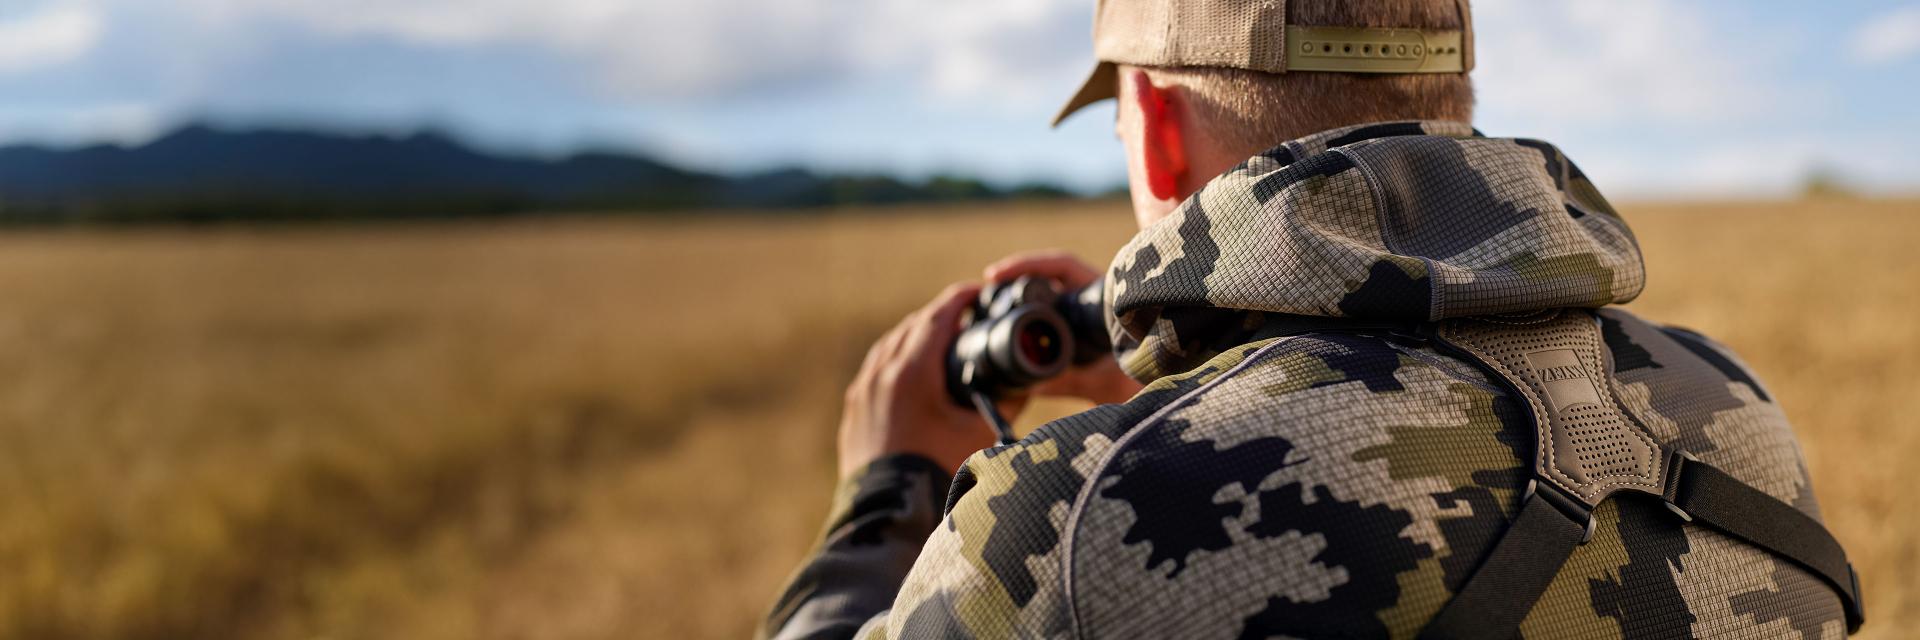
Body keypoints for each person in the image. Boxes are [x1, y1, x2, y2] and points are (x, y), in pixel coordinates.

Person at [761, 1, 1864, 638]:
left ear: (1150, 127)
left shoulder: (1070, 515)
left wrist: (888, 494)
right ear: (1454, 92)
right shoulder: (1737, 413)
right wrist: (1195, 401)